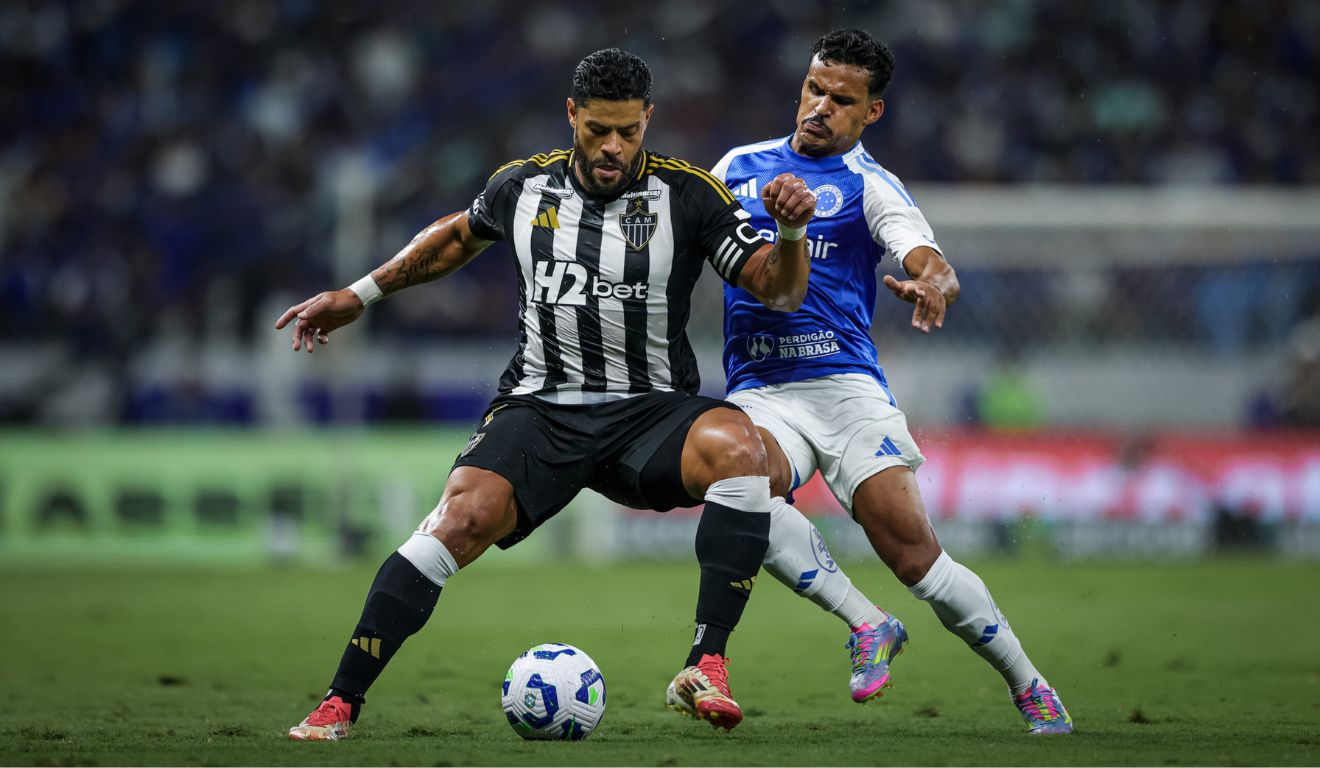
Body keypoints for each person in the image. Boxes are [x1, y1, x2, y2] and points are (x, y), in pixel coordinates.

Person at [275, 48, 818, 739]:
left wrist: (793, 231)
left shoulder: (690, 196)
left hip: (650, 413)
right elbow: (454, 238)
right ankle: (341, 700)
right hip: (541, 408)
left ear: (649, 118)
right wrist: (360, 294)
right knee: (459, 520)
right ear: (572, 116)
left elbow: (780, 287)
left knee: (743, 449)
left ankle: (706, 662)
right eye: (597, 130)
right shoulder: (522, 187)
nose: (613, 147)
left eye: (628, 130)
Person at [706, 29, 1073, 734]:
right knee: (742, 491)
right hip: (761, 387)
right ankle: (868, 624)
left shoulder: (871, 186)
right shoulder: (739, 166)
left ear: (871, 113)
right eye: (815, 89)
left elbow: (926, 255)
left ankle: (1028, 683)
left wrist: (935, 282)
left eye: (842, 100)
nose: (821, 107)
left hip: (845, 390)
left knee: (913, 555)